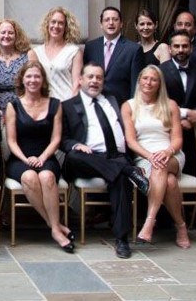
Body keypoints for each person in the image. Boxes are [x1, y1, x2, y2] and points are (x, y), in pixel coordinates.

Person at [60, 63, 147, 259]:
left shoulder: (113, 101)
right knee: (76, 155)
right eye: (90, 77)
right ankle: (128, 171)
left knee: (119, 179)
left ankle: (122, 239)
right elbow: (62, 140)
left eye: (99, 77)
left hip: (114, 157)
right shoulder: (67, 106)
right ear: (80, 80)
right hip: (85, 159)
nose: (94, 81)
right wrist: (75, 144)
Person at [5, 61, 74, 251]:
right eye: (29, 76)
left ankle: (55, 228)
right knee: (29, 177)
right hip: (20, 159)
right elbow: (11, 141)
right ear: (22, 79)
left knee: (46, 176)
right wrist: (26, 159)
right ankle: (56, 228)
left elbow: (56, 139)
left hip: (46, 157)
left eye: (37, 76)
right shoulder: (13, 105)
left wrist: (42, 158)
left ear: (43, 79)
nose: (33, 80)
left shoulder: (55, 104)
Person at [123, 65, 189, 248]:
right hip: (144, 156)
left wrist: (167, 152)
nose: (149, 82)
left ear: (160, 83)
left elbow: (177, 140)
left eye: (153, 79)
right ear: (139, 81)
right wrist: (150, 155)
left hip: (171, 155)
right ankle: (181, 226)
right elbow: (131, 141)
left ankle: (149, 222)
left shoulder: (170, 105)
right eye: (145, 78)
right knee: (170, 182)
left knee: (161, 166)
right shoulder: (128, 105)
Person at [160, 32, 196, 179]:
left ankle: (192, 200)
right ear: (170, 49)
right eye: (176, 46)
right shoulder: (160, 71)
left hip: (193, 129)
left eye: (184, 46)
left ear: (191, 48)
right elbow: (159, 100)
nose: (181, 50)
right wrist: (182, 115)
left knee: (192, 171)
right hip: (167, 128)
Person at [84, 7, 144, 103]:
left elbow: (136, 85)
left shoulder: (133, 49)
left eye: (115, 19)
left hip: (121, 107)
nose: (111, 23)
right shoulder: (90, 47)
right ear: (101, 24)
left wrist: (132, 109)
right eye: (107, 20)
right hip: (94, 105)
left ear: (121, 24)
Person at [27, 7, 83, 101]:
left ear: (66, 27)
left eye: (61, 23)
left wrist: (72, 108)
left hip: (66, 104)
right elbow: (33, 83)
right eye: (53, 22)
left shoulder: (74, 51)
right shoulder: (35, 53)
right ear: (47, 24)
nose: (56, 26)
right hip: (43, 106)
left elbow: (77, 84)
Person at [0, 18, 31, 113]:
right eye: (3, 32)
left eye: (10, 33)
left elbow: (37, 83)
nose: (6, 36)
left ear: (16, 35)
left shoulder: (28, 55)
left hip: (23, 111)